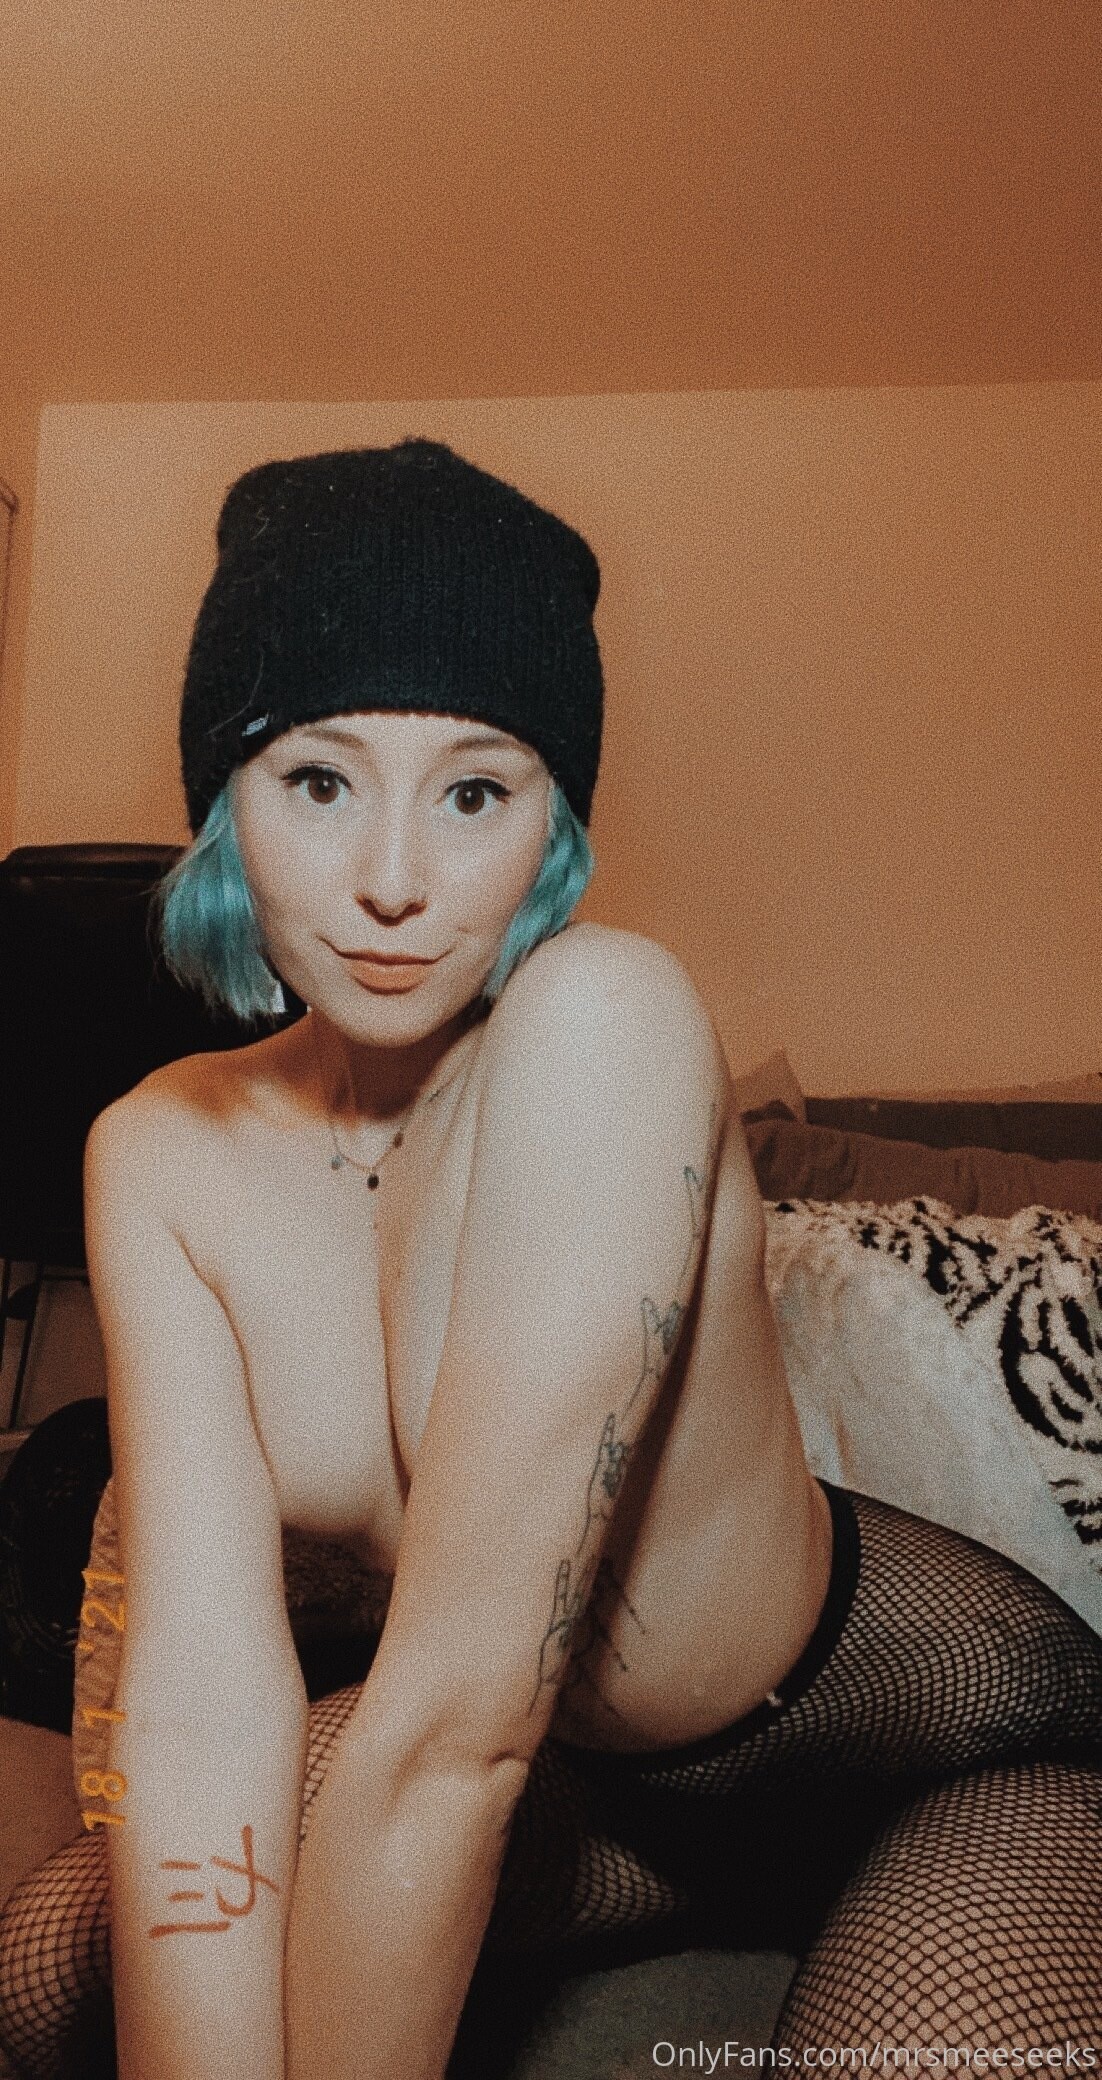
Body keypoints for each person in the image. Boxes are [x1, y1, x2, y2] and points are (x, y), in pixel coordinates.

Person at [1, 438, 1100, 2080]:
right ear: (223, 796)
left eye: (473, 792)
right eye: (318, 781)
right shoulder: (158, 1152)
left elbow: (454, 1738)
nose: (392, 880)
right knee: (44, 1964)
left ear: (552, 823)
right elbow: (202, 1706)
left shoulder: (602, 1025)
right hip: (608, 1791)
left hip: (923, 1744)